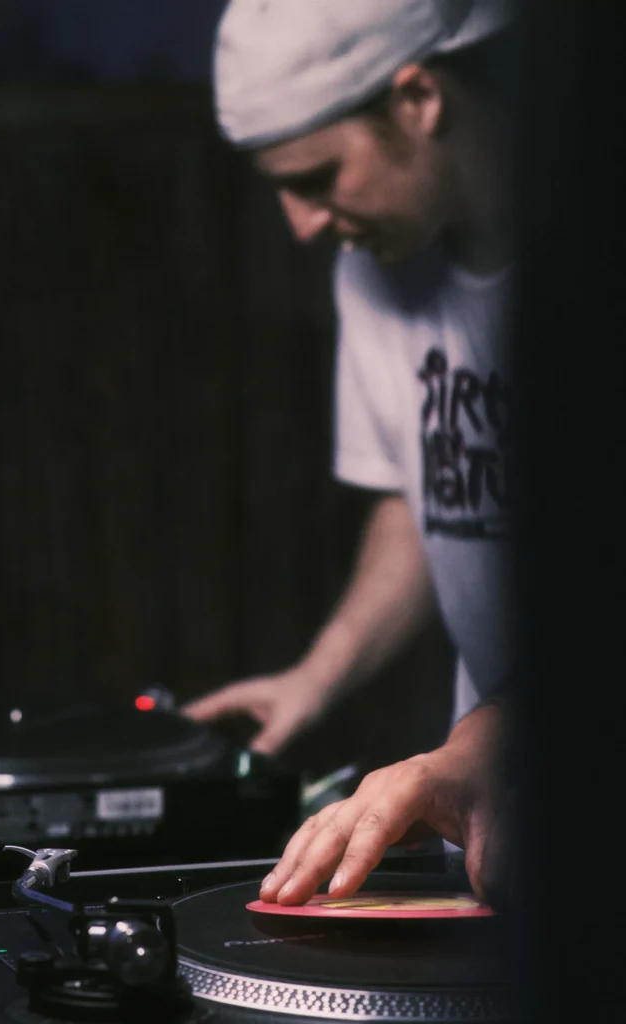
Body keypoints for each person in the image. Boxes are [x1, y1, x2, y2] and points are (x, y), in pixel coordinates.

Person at [184, 0, 518, 903]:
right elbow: (424, 499)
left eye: (320, 175)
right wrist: (318, 676)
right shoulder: (373, 267)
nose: (301, 223)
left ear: (416, 98)